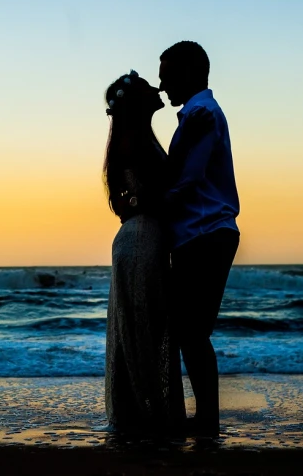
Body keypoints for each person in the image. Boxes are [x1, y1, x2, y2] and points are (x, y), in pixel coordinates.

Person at [158, 41, 241, 437]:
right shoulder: (195, 113)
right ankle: (205, 418)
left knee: (191, 331)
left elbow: (187, 179)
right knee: (188, 330)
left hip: (206, 232)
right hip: (199, 233)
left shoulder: (202, 113)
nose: (161, 85)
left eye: (167, 75)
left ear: (190, 73)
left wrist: (154, 207)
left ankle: (207, 420)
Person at [102, 70, 186, 434]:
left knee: (144, 326)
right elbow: (149, 196)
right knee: (142, 327)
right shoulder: (134, 141)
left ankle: (145, 412)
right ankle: (147, 415)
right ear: (138, 101)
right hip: (140, 242)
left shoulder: (139, 139)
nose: (158, 87)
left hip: (142, 240)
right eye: (149, 86)